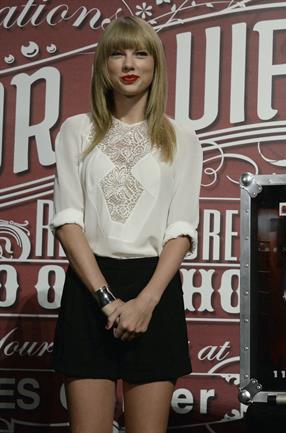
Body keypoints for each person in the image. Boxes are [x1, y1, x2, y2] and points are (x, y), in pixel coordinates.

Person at [51, 16, 202, 433]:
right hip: (89, 290)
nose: (129, 63)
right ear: (104, 65)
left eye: (140, 53)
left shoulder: (181, 136)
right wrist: (106, 299)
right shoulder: (75, 131)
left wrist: (146, 301)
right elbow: (67, 221)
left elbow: (181, 229)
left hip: (154, 290)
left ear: (156, 65)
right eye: (117, 53)